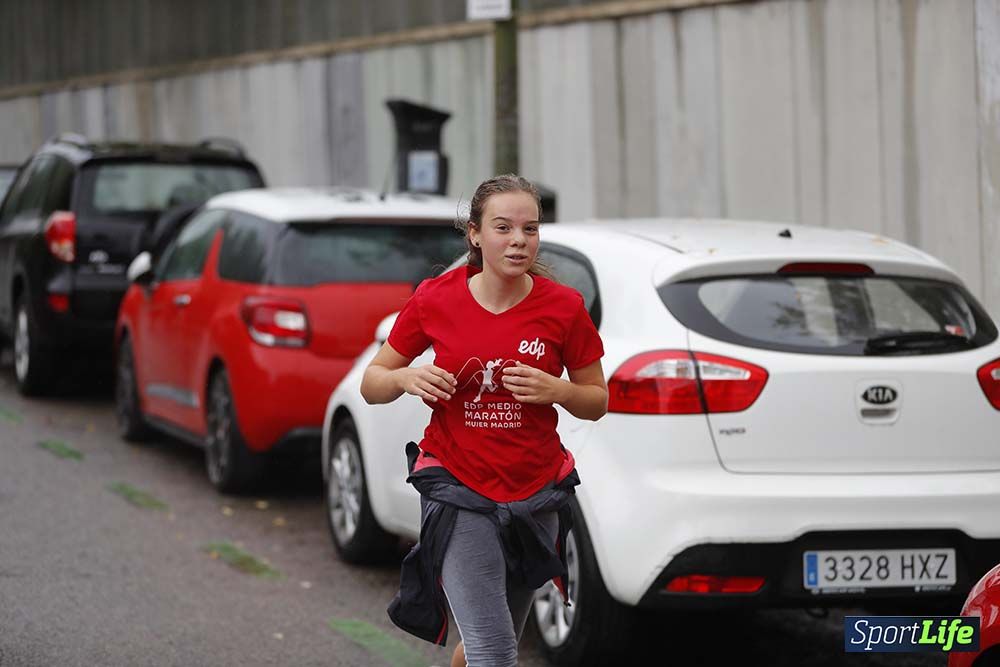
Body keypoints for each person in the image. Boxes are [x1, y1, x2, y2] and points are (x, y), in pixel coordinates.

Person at [361, 174, 608, 667]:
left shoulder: (563, 309)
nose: (519, 240)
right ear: (475, 233)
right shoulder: (437, 298)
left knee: (482, 649)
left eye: (530, 229)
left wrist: (557, 390)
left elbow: (596, 399)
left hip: (534, 497)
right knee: (495, 654)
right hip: (460, 490)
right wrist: (407, 377)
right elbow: (372, 382)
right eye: (504, 227)